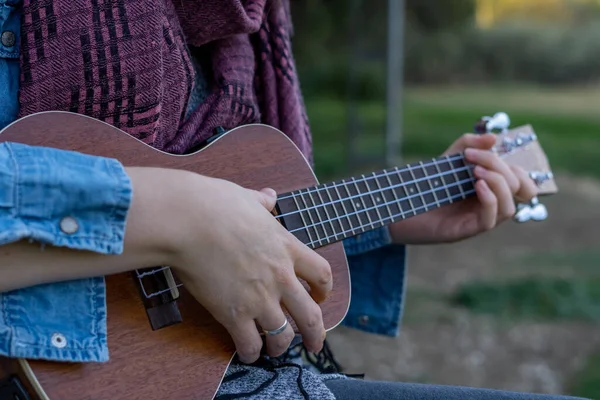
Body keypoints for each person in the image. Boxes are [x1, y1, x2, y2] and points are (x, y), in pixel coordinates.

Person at [0, 1, 588, 399]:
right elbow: (206, 219)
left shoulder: (247, 25)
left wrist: (393, 216)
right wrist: (177, 216)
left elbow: (240, 224)